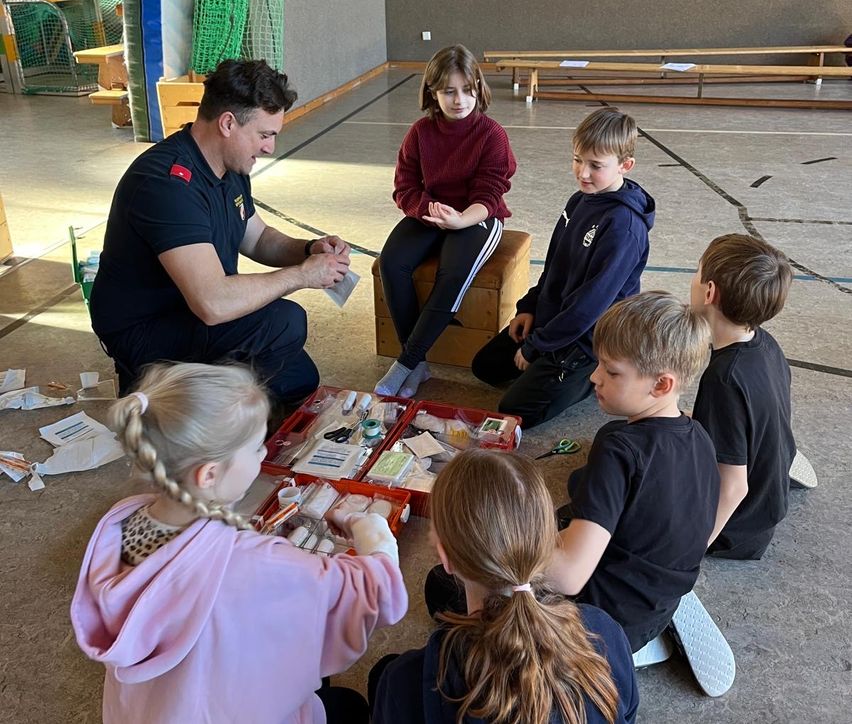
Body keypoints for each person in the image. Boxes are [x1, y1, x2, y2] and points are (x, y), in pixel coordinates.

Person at [70, 362, 407, 724]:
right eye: (257, 447)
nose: (264, 455)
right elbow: (377, 594)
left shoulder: (119, 520)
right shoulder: (253, 560)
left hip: (150, 709)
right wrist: (371, 531)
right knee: (348, 706)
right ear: (210, 474)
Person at [90, 59, 351, 407]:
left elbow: (257, 238)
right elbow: (213, 303)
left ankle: (214, 390)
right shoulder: (166, 184)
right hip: (146, 329)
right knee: (285, 322)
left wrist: (309, 249)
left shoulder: (230, 167)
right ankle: (175, 397)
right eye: (264, 135)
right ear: (228, 123)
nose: (269, 148)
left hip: (191, 311)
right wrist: (301, 275)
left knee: (299, 379)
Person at [372, 449, 638, 724]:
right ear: (546, 540)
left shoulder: (407, 683)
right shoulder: (605, 634)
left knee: (378, 675)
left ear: (445, 558)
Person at [547, 293, 728, 688]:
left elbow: (569, 578)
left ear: (661, 384)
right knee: (576, 496)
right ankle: (648, 635)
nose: (594, 377)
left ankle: (610, 656)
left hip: (596, 629)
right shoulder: (698, 434)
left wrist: (497, 553)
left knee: (447, 586)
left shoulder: (618, 447)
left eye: (612, 372)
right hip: (657, 604)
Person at [471, 107, 654, 429]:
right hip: (556, 318)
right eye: (577, 160)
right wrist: (529, 308)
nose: (583, 173)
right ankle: (552, 361)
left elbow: (589, 308)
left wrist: (536, 346)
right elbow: (555, 266)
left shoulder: (624, 228)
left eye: (596, 165)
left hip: (589, 337)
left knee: (516, 410)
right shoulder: (579, 200)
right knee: (484, 367)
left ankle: (596, 371)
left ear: (625, 165)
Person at [375, 44, 516, 398]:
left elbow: (490, 193)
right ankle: (418, 364)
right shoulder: (420, 133)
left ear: (478, 88)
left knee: (452, 274)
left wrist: (461, 219)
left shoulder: (492, 134)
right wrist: (431, 210)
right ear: (432, 93)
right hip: (433, 212)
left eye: (467, 90)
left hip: (477, 216)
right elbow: (405, 187)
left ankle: (405, 362)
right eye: (449, 91)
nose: (459, 100)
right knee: (391, 263)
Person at [690, 233, 798, 560]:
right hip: (766, 505)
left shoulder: (724, 378)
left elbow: (734, 487)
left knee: (604, 476)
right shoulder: (765, 342)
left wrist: (691, 548)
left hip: (737, 530)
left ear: (709, 292)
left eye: (696, 272)